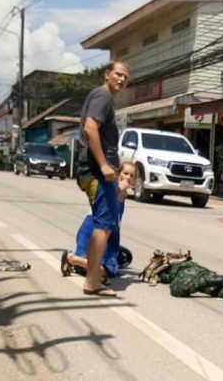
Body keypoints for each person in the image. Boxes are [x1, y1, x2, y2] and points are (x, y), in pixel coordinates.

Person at [77, 60, 129, 297]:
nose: (121, 79)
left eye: (125, 77)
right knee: (105, 224)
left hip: (96, 171)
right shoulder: (102, 97)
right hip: (97, 172)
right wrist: (104, 164)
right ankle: (91, 281)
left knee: (104, 223)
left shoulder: (104, 98)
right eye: (118, 74)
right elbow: (90, 128)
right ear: (107, 75)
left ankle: (93, 276)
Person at [62, 161, 136, 279]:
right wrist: (119, 189)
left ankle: (79, 262)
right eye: (125, 173)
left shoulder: (123, 193)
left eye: (132, 175)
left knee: (115, 265)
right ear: (117, 174)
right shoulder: (113, 188)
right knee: (108, 271)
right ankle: (73, 259)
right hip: (94, 230)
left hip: (108, 234)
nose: (128, 177)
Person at [140, 250, 223, 307]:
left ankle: (220, 280)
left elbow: (166, 278)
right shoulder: (186, 261)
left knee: (176, 289)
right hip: (203, 273)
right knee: (216, 289)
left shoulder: (170, 267)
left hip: (187, 275)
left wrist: (158, 275)